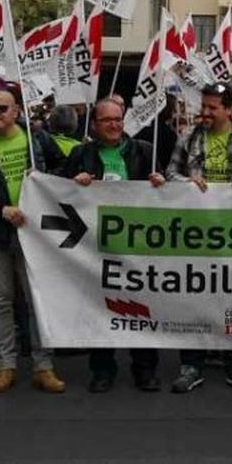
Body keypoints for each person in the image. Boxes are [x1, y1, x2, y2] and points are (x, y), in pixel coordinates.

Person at [0, 87, 68, 395]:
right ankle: (5, 366)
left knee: (36, 300)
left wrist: (42, 180)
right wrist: (0, 210)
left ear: (16, 111)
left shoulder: (37, 140)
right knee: (0, 301)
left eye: (0, 109)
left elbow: (62, 168)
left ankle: (43, 366)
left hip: (34, 233)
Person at [162, 83, 232, 393]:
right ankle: (192, 364)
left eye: (212, 107)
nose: (204, 112)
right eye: (203, 106)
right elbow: (170, 174)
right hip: (199, 234)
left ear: (228, 109)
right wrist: (188, 182)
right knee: (195, 295)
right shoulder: (189, 137)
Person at [67, 97, 163, 392]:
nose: (114, 125)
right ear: (94, 125)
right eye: (107, 120)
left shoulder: (144, 150)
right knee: (100, 307)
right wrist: (74, 182)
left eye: (118, 119)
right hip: (97, 245)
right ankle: (102, 369)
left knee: (141, 307)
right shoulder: (81, 154)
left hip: (137, 245)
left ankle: (144, 369)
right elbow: (59, 191)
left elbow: (163, 191)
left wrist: (160, 181)